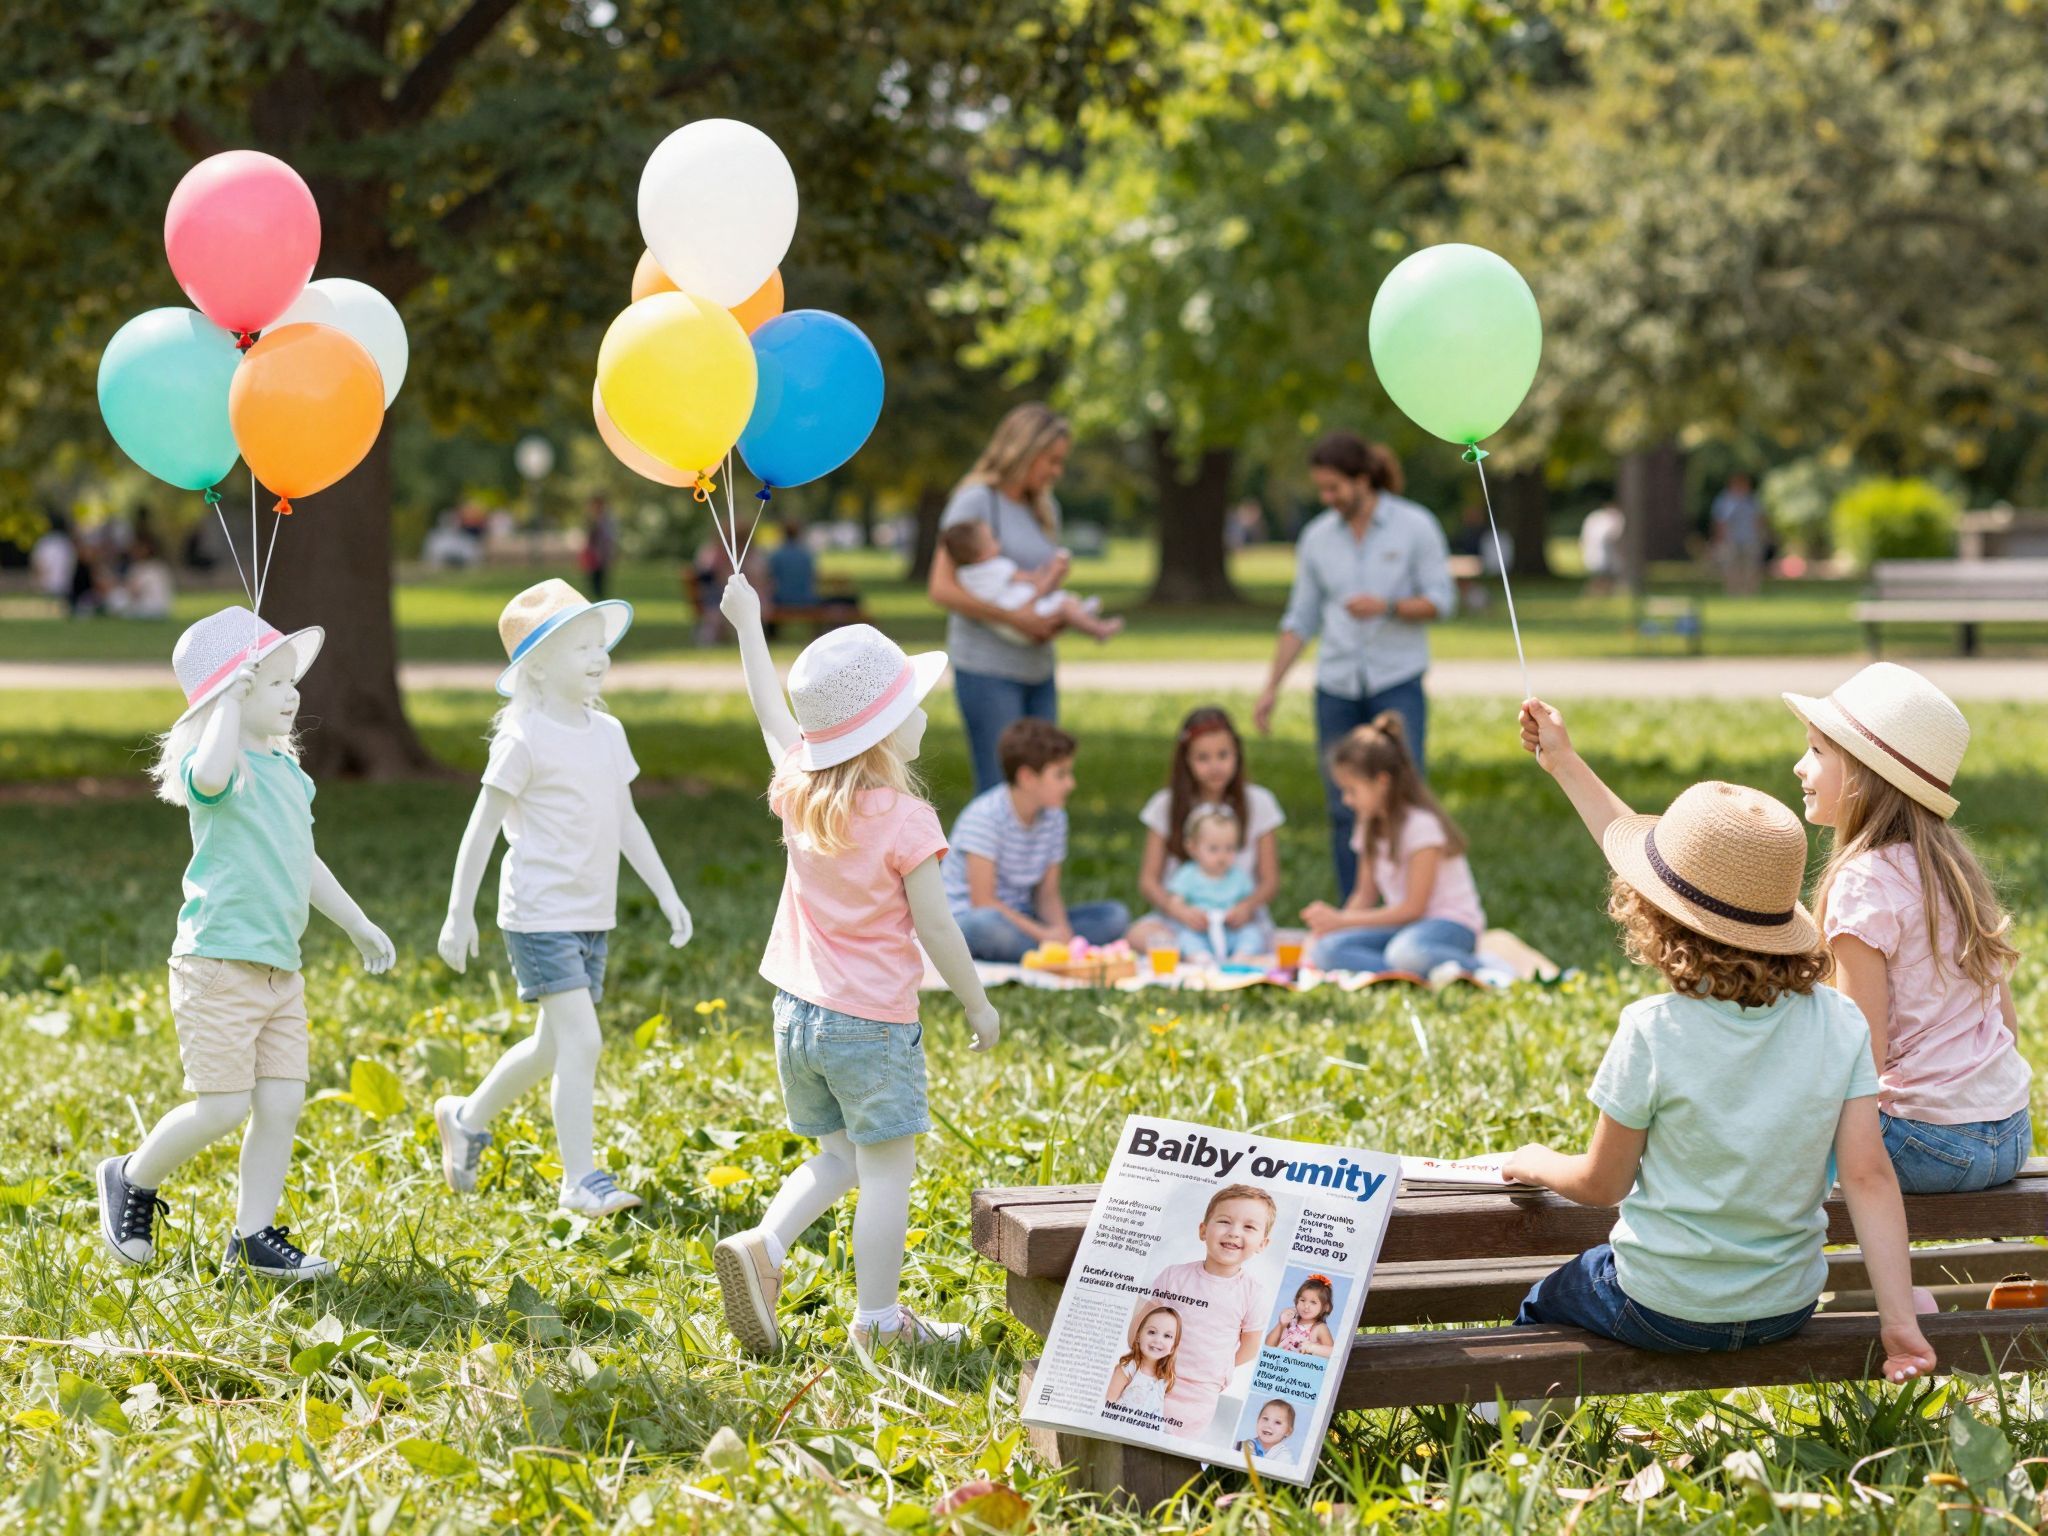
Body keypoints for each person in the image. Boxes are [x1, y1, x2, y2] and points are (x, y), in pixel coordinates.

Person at [1506, 714, 1936, 1382]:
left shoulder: (1652, 1029)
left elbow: (1602, 1183)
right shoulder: (1841, 1024)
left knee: (1545, 1303)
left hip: (1660, 1306)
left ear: (1651, 916)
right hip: (1785, 1306)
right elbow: (1869, 1178)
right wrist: (1900, 1326)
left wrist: (1534, 1159)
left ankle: (1506, 1445)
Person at [711, 580, 1000, 1352]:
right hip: (870, 1026)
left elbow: (772, 714)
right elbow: (937, 927)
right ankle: (878, 1323)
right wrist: (977, 1004)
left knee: (837, 1157)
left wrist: (748, 626)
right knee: (885, 1174)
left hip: (796, 1018)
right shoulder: (907, 819)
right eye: (914, 704)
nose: (926, 714)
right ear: (879, 732)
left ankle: (765, 1247)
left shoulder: (800, 794)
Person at [97, 609, 395, 1282]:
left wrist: (356, 922)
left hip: (279, 971)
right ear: (229, 697)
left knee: (282, 1102)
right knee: (223, 1106)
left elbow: (304, 861)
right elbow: (204, 777)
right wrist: (228, 704)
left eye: (292, 682)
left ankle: (253, 1236)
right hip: (218, 966)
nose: (292, 695)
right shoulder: (223, 771)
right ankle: (129, 1177)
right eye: (272, 684)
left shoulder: (289, 773)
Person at [433, 581, 694, 1218]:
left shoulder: (607, 733)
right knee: (583, 1041)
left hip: (590, 914)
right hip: (540, 914)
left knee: (552, 1046)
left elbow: (628, 821)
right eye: (580, 646)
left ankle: (466, 1118)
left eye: (599, 644)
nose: (598, 656)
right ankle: (580, 1180)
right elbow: (482, 826)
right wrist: (458, 911)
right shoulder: (522, 738)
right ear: (538, 664)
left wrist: (667, 893)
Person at [1785, 663, 2031, 1192]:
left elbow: (1863, 1055)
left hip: (1921, 1144)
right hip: (2011, 1134)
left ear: (1865, 776)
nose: (1800, 767)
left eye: (1817, 751)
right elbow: (2005, 1025)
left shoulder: (1861, 884)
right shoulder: (1955, 869)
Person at [1254, 431, 1455, 899]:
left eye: (1334, 488)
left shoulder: (1414, 526)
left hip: (1396, 682)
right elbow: (1299, 618)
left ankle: (1410, 903)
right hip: (1337, 687)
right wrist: (1271, 689)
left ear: (1362, 479)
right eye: (1321, 489)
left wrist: (1386, 605)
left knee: (1404, 799)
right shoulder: (1317, 538)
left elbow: (1441, 602)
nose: (1327, 498)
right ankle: (1355, 910)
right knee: (1345, 805)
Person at [929, 403, 1073, 794]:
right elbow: (940, 586)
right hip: (988, 670)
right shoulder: (976, 501)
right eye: (1051, 460)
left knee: (1046, 787)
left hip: (1038, 667)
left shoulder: (1045, 508)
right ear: (1023, 451)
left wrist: (1052, 609)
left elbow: (1031, 587)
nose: (1056, 472)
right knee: (1000, 791)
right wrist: (1014, 620)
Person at [1302, 714, 1489, 980]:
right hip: (1405, 930)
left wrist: (1342, 921)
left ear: (1381, 782)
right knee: (1326, 951)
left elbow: (1413, 907)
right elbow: (1364, 895)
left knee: (1407, 953)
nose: (1346, 800)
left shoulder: (1421, 827)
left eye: (1352, 790)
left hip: (1449, 926)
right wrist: (1331, 928)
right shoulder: (1368, 826)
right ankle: (1419, 974)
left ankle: (1478, 968)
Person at [941, 718, 1130, 963]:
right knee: (986, 927)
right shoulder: (984, 816)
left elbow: (1047, 895)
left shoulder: (1055, 817)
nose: (1071, 784)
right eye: (1060, 775)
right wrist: (1044, 935)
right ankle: (1038, 951)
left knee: (1115, 916)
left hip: (1023, 920)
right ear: (1027, 777)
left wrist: (1064, 936)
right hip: (972, 920)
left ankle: (1039, 953)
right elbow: (983, 902)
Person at [1128, 708, 1286, 958]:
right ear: (1187, 761)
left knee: (1263, 939)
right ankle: (1192, 953)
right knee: (1138, 934)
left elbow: (1270, 880)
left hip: (1238, 919)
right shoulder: (1165, 804)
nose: (1215, 766)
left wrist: (1246, 907)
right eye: (1203, 758)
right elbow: (1148, 881)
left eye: (1223, 755)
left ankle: (1232, 954)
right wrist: (1176, 909)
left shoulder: (1260, 801)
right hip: (1182, 919)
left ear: (1237, 754)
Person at [1144, 1183, 1275, 1440]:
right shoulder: (1174, 1276)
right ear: (1203, 1230)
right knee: (1137, 1427)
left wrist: (1221, 1368)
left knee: (1178, 1441)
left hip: (1201, 1390)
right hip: (1156, 1374)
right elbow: (1144, 1323)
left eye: (1249, 1227)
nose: (1234, 1233)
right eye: (1225, 1221)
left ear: (1263, 1243)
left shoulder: (1252, 1293)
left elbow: (1250, 1345)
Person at [939, 521, 1122, 643]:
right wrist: (1054, 570)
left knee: (1066, 607)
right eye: (992, 539)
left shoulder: (965, 576)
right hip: (1027, 615)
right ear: (983, 553)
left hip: (1007, 630)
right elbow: (1034, 582)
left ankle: (1081, 614)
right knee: (1066, 605)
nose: (997, 541)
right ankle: (1098, 629)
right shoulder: (998, 567)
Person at [1162, 806, 1265, 962]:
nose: (1222, 856)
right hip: (1200, 932)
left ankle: (1241, 956)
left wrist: (1242, 912)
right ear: (1193, 848)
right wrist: (1187, 913)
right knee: (1184, 938)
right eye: (1213, 849)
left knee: (1252, 934)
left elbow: (1248, 905)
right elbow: (1174, 903)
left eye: (1229, 848)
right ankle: (1200, 958)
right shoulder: (1188, 875)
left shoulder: (1238, 877)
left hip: (1231, 932)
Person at [1103, 1303, 1181, 1418]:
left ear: (1173, 1347)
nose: (1158, 1340)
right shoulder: (1128, 1369)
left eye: (1167, 1336)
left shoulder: (1166, 1378)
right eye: (1152, 1332)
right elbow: (1107, 1404)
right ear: (1138, 1336)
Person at [1712, 472, 1764, 596]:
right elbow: (1720, 522)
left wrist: (1761, 536)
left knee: (1751, 568)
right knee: (1731, 568)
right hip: (1730, 540)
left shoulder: (1752, 500)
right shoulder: (1724, 501)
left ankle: (1749, 594)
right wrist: (1719, 539)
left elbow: (1759, 520)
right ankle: (1733, 593)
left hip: (1750, 539)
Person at [1265, 1274, 1336, 1357]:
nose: (1306, 1306)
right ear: (1296, 1300)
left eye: (1313, 1302)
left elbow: (1332, 1354)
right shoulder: (1291, 1322)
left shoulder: (1320, 1328)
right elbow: (1268, 1345)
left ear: (1326, 1307)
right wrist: (1281, 1324)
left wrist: (1312, 1347)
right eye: (1302, 1300)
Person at [110, 534, 175, 619]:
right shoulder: (161, 567)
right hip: (164, 610)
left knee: (117, 596)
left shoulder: (139, 568)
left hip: (147, 610)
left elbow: (133, 591)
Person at [766, 520, 818, 608]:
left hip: (782, 600)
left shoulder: (776, 555)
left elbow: (770, 580)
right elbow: (812, 578)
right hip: (805, 600)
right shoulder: (806, 555)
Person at [29, 514, 76, 607]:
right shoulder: (68, 543)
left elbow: (38, 565)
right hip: (65, 587)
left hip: (47, 586)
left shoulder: (44, 542)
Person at [1579, 503, 1626, 596]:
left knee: (1605, 577)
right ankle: (1595, 593)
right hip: (1602, 555)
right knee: (1603, 577)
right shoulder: (1609, 521)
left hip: (1598, 554)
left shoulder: (1595, 519)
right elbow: (1613, 537)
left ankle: (1603, 593)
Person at [579, 496, 617, 601]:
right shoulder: (592, 519)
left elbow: (608, 536)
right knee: (592, 577)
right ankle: (594, 597)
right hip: (592, 553)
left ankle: (599, 597)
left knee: (600, 577)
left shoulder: (606, 519)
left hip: (602, 552)